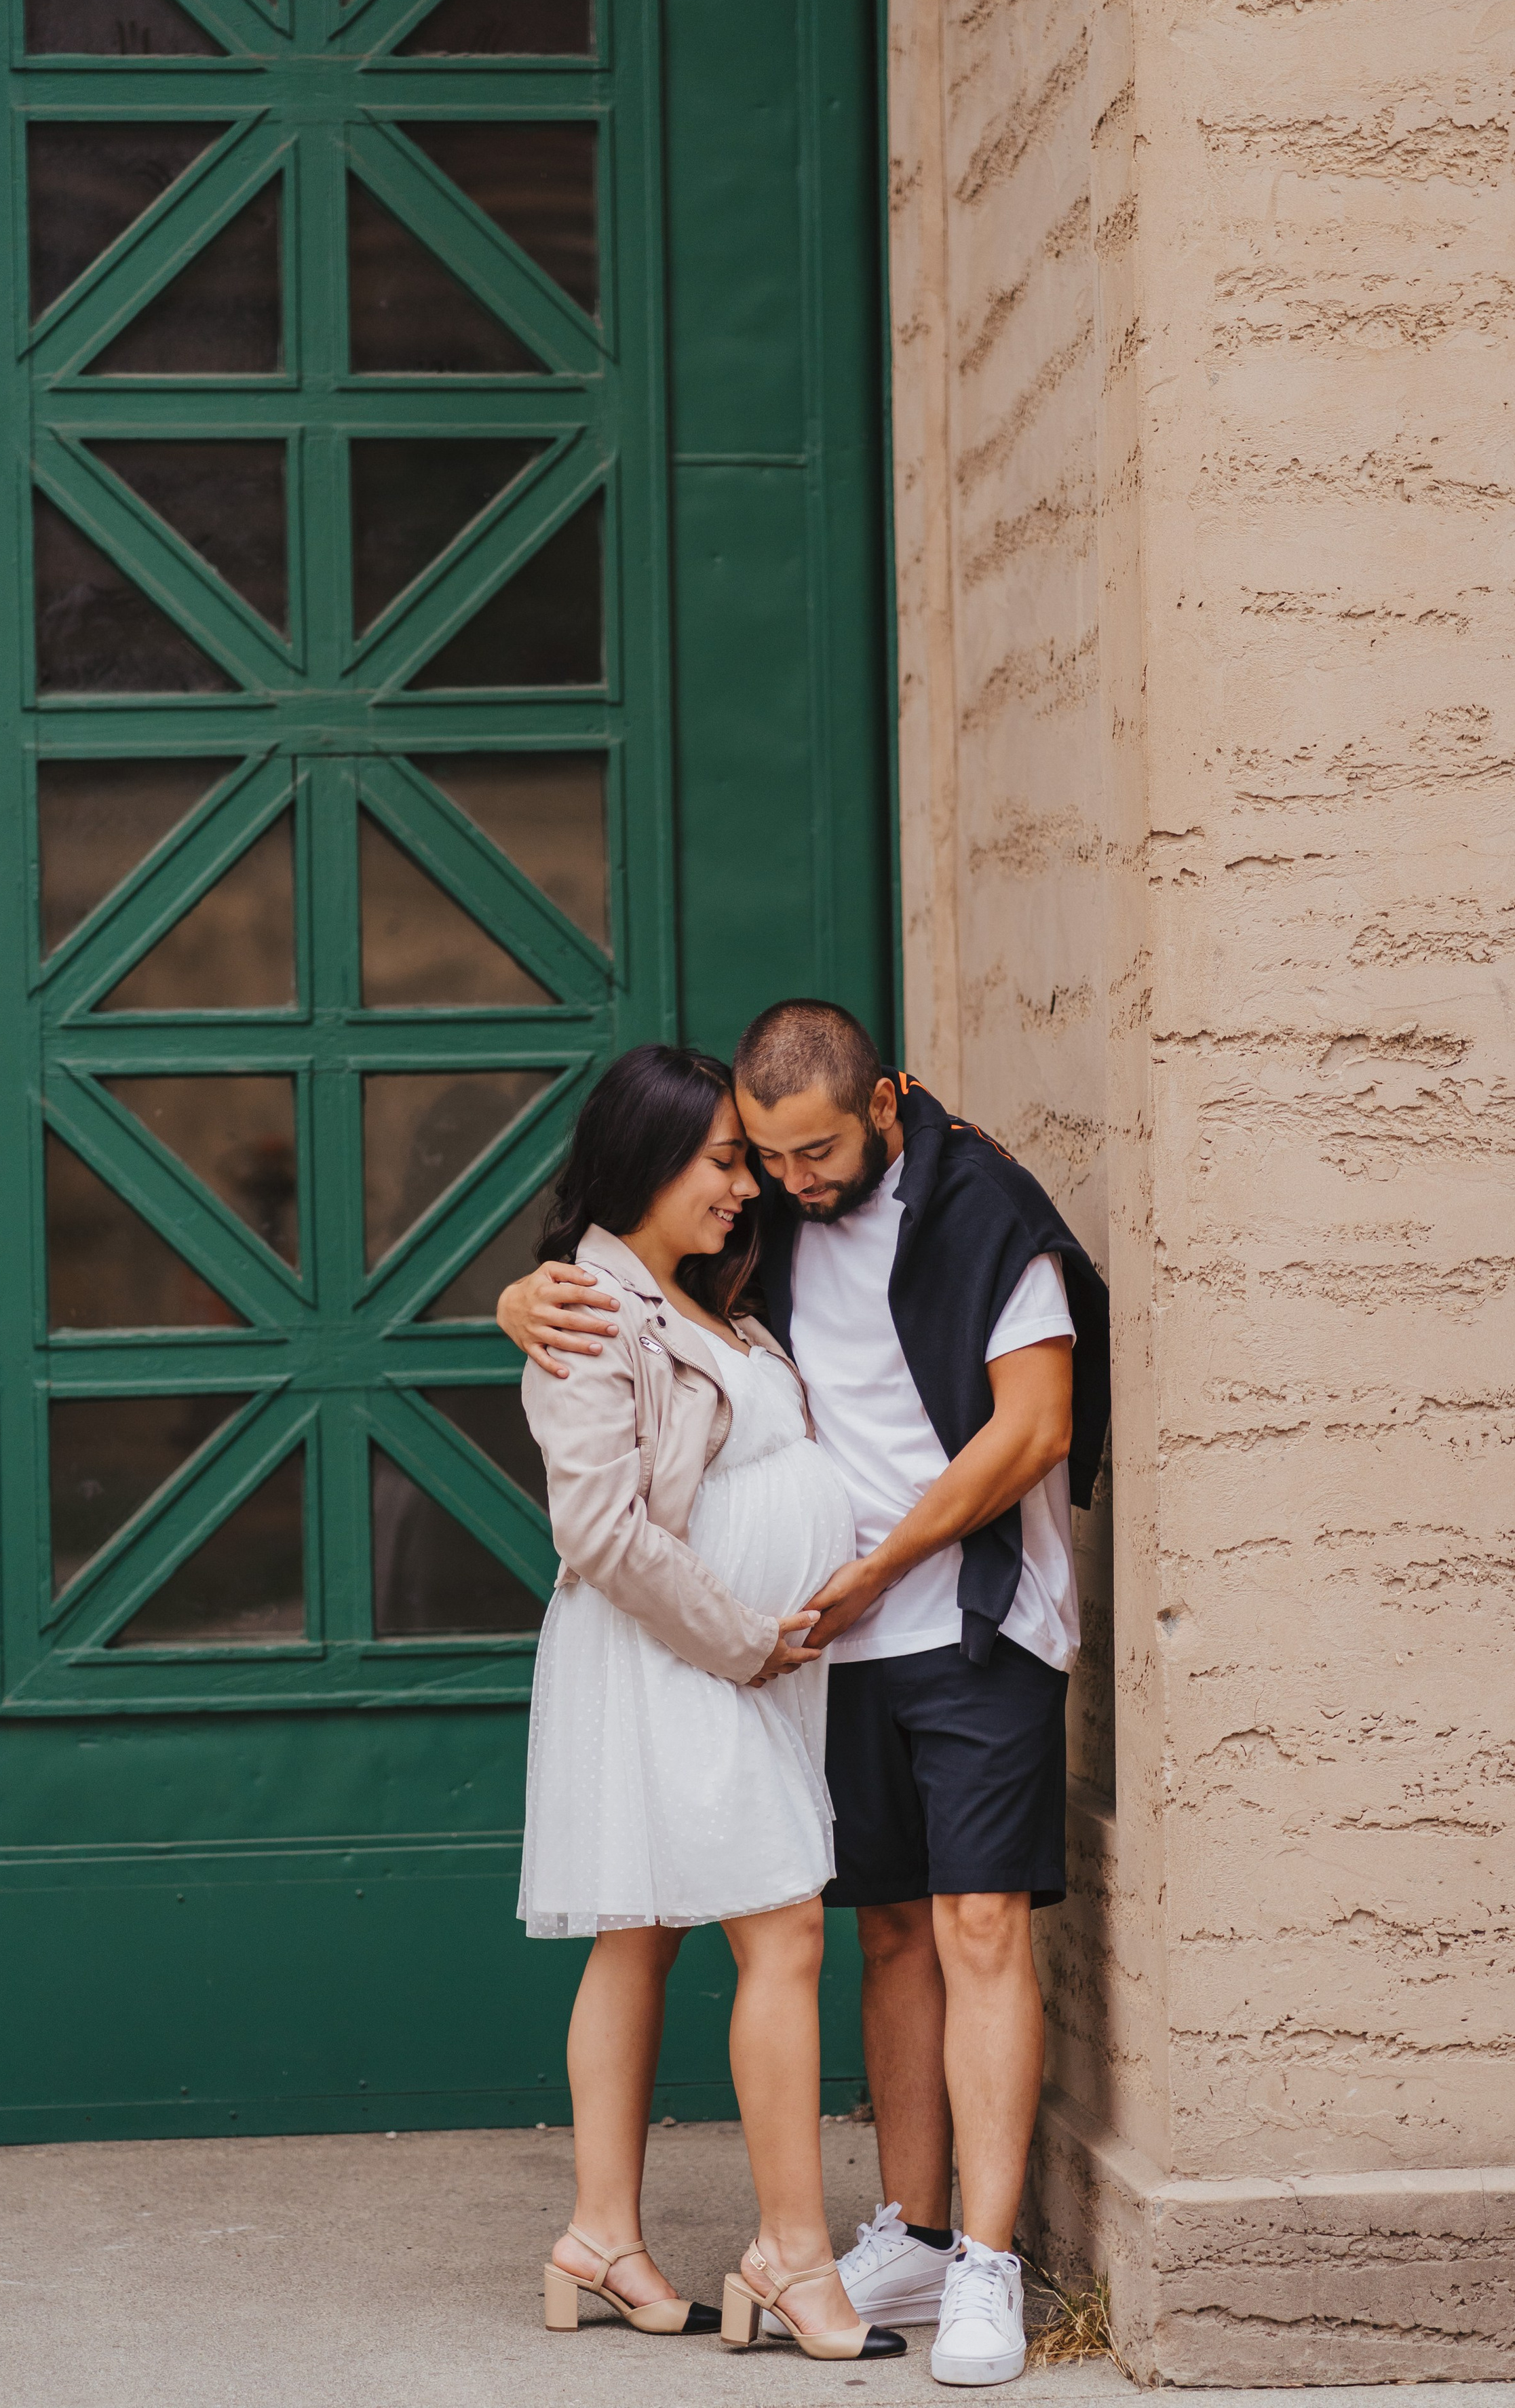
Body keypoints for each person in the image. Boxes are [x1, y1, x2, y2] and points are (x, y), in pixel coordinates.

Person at [500, 1002, 1111, 2388]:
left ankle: (970, 2265)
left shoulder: (954, 1214)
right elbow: (603, 1462)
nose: (774, 1182)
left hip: (920, 1628)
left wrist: (853, 1577)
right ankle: (857, 2234)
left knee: (933, 1924)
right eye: (746, 1159)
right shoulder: (687, 1260)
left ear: (885, 1104)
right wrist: (520, 1289)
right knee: (827, 1933)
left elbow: (1036, 1425)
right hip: (766, 1655)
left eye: (797, 1155)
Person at [518, 1041, 906, 2365]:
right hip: (674, 1656)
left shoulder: (706, 1299)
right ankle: (791, 2256)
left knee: (639, 1935)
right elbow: (602, 1533)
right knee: (781, 1925)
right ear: (644, 1158)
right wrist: (743, 1639)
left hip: (737, 1665)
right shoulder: (588, 1312)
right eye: (723, 1163)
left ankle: (599, 2238)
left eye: (751, 1164)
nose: (747, 1189)